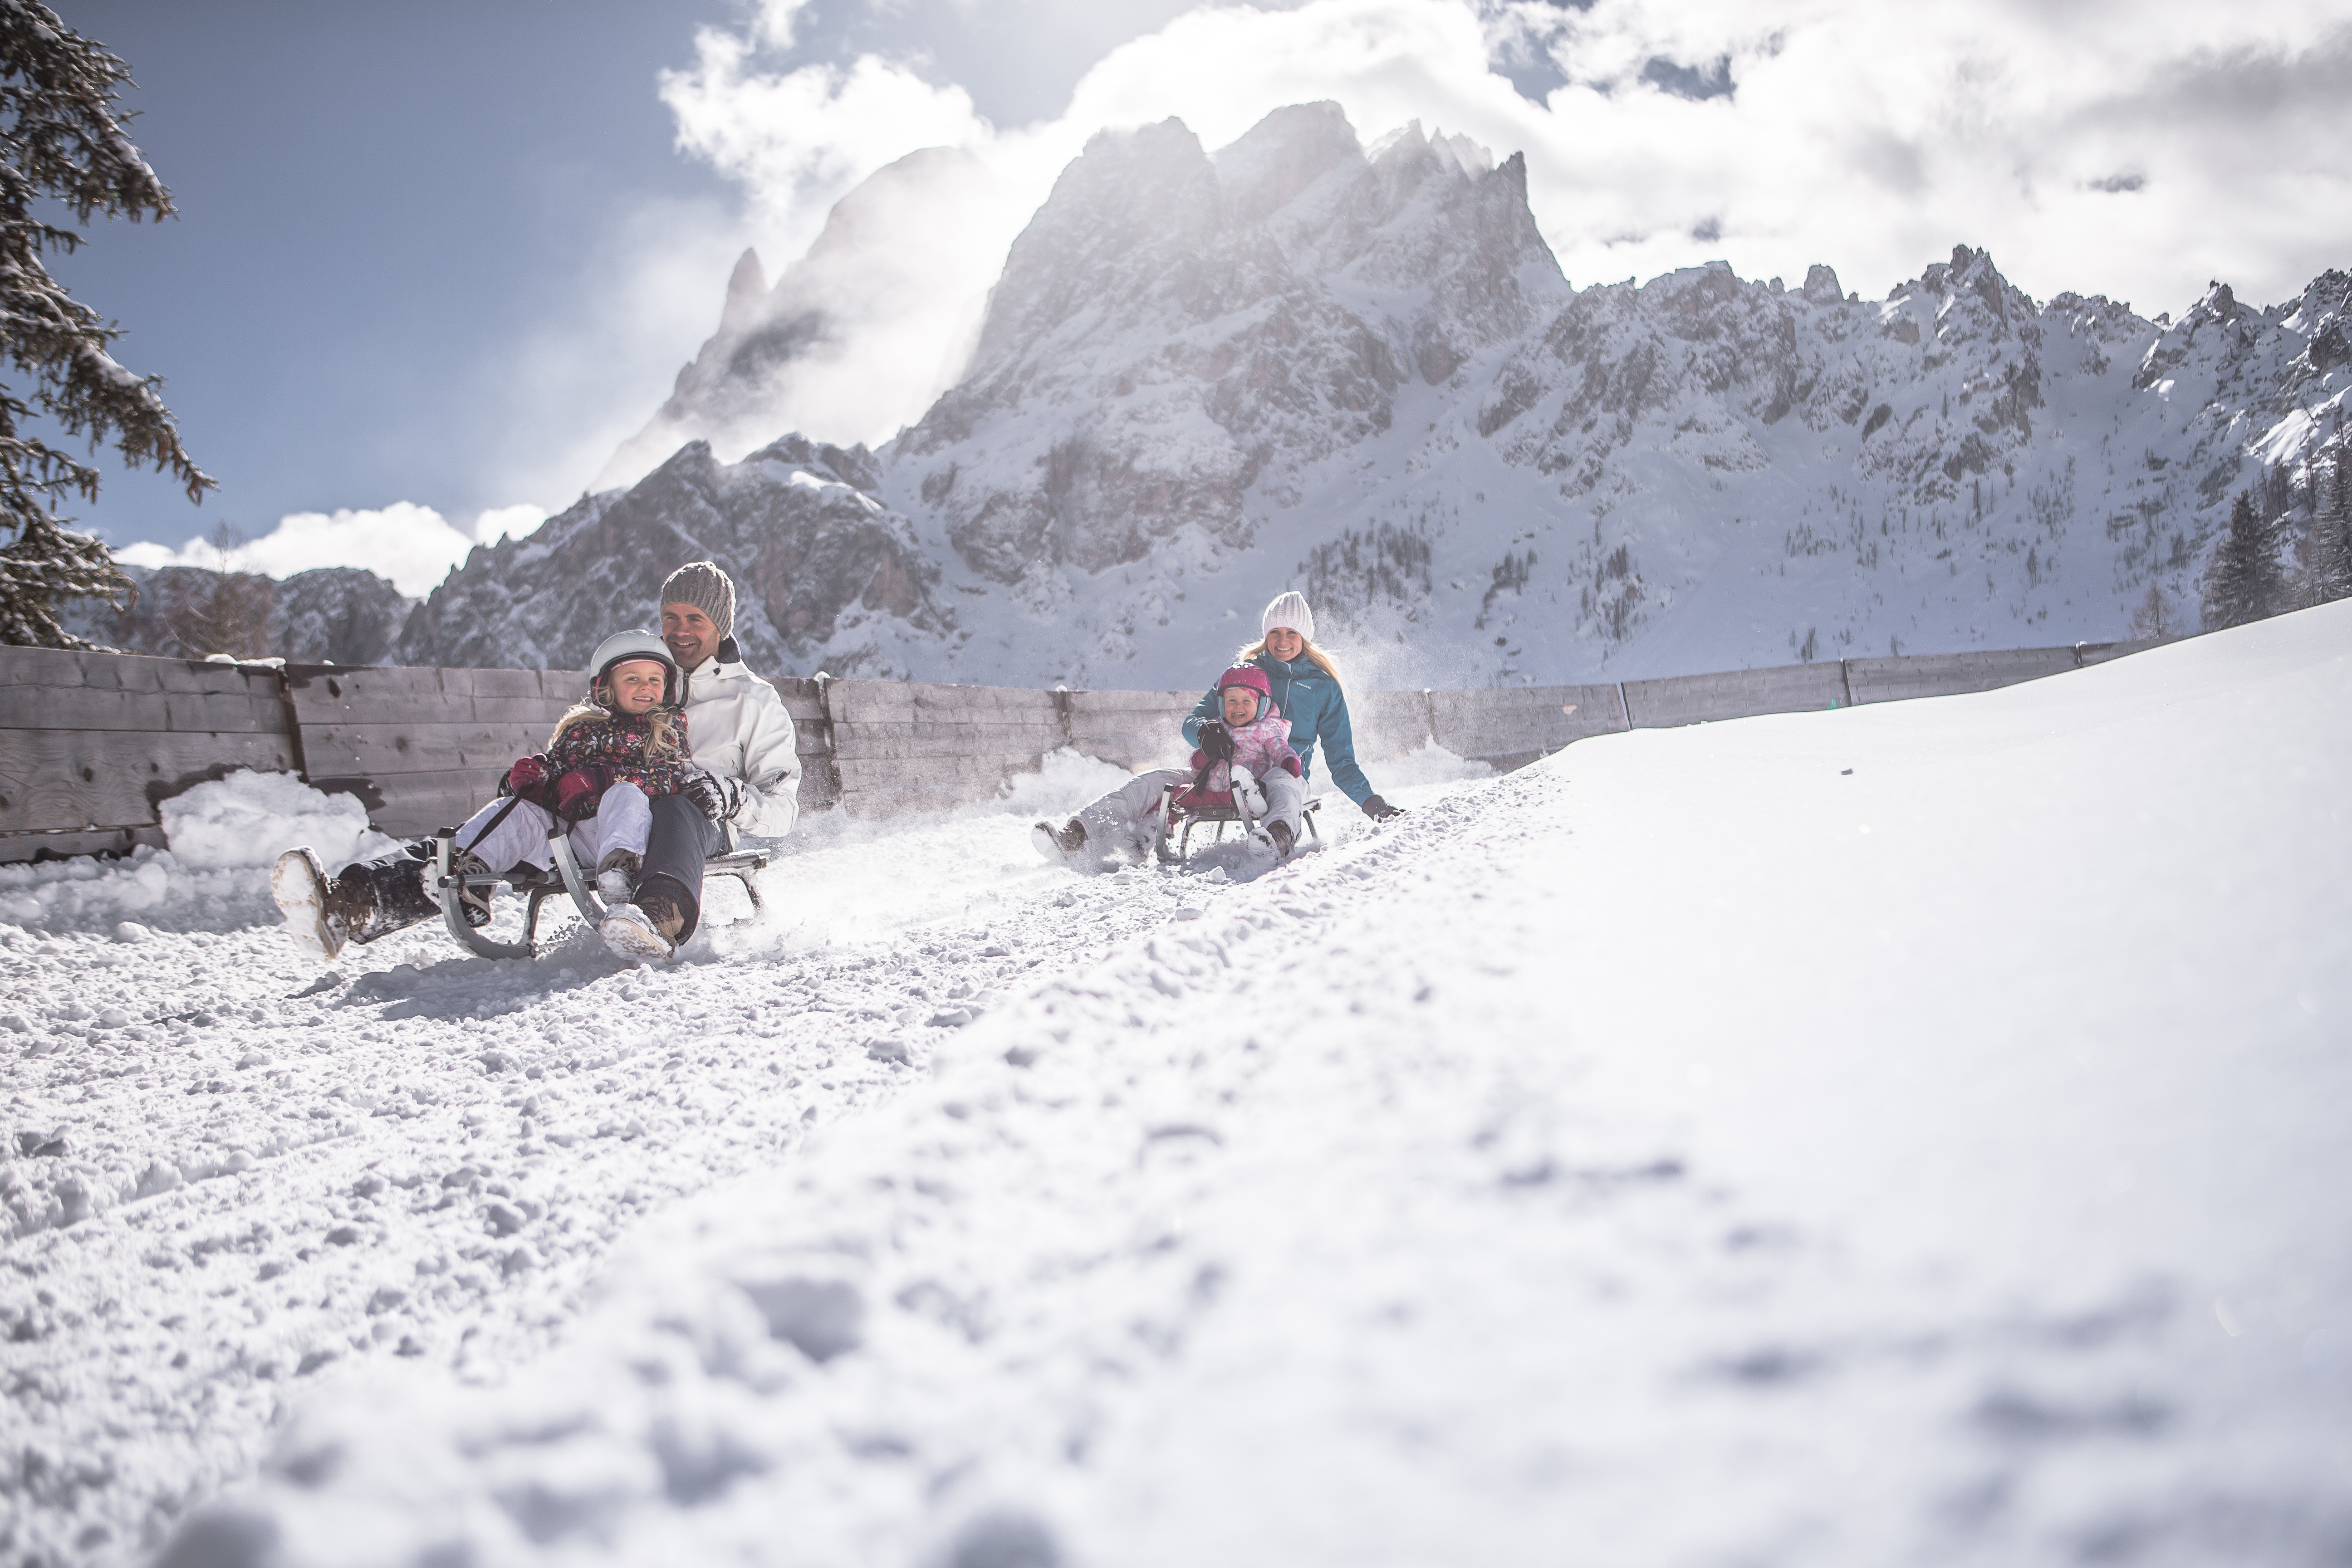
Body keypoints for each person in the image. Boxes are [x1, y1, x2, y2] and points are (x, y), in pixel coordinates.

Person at [271, 560, 800, 962]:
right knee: (510, 820)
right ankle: (356, 903)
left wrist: (730, 796)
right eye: (671, 618)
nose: (681, 630)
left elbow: (783, 810)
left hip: (693, 827)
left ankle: (658, 916)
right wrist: (545, 783)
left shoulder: (752, 702)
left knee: (676, 807)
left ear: (722, 626)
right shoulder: (640, 676)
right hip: (606, 820)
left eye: (696, 619)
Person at [1034, 590, 1399, 870]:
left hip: (1279, 774)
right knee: (1151, 781)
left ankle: (1278, 838)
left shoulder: (1323, 687)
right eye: (1275, 632)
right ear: (1266, 634)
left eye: (1292, 633)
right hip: (1219, 771)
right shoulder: (1245, 673)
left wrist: (1373, 804)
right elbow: (1193, 721)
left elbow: (1341, 758)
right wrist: (1205, 733)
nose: (1283, 641)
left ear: (1306, 637)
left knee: (1286, 787)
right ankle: (1078, 837)